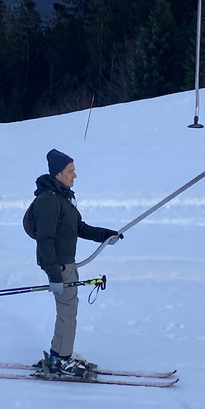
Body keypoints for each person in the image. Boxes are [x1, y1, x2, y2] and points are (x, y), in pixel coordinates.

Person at [30, 148, 122, 377]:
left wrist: (105, 235)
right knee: (67, 311)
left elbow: (79, 228)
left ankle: (60, 353)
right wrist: (54, 276)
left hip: (65, 265)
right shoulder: (49, 201)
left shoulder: (62, 198)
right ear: (59, 173)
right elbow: (45, 239)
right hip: (59, 267)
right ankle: (60, 360)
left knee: (68, 310)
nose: (75, 175)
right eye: (71, 171)